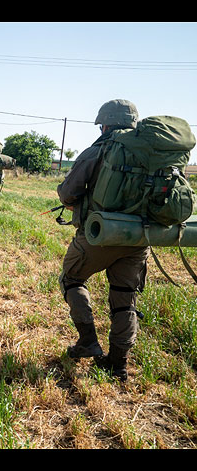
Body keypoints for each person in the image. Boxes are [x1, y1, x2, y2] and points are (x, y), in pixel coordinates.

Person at [57, 99, 146, 382]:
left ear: (105, 124)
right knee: (125, 300)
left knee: (71, 279)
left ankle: (87, 341)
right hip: (139, 239)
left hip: (99, 236)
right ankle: (118, 365)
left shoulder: (99, 149)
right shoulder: (149, 153)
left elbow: (67, 193)